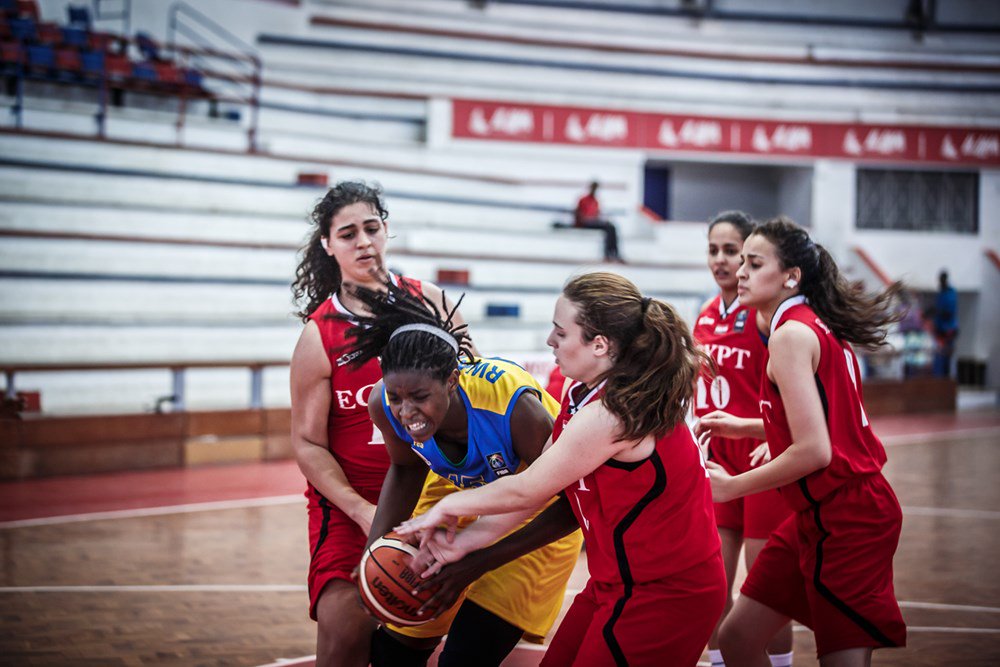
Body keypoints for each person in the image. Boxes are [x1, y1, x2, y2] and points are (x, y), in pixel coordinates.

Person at [396, 272, 727, 667]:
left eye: (561, 333)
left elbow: (528, 489)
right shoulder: (581, 393)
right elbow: (537, 487)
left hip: (668, 590)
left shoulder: (613, 413)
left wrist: (447, 509)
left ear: (599, 345)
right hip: (615, 582)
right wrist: (464, 542)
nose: (550, 341)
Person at [342, 280, 583, 667]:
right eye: (396, 397)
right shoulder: (382, 404)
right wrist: (374, 551)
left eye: (420, 397)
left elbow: (571, 505)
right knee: (393, 651)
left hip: (539, 511)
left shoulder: (515, 409)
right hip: (456, 497)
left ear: (452, 380)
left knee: (465, 657)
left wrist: (477, 561)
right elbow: (405, 470)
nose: (406, 413)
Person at [707, 217, 907, 666]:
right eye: (742, 261)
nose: (740, 271)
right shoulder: (811, 324)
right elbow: (827, 425)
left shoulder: (790, 336)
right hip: (817, 515)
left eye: (754, 263)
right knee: (737, 637)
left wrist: (734, 486)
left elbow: (816, 449)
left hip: (850, 517)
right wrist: (745, 425)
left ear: (791, 276)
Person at [288, 181, 471, 667]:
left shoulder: (430, 301)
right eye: (348, 234)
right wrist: (357, 510)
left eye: (372, 228)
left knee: (426, 641)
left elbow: (473, 388)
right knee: (344, 636)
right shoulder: (318, 334)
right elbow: (307, 443)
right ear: (328, 246)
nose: (364, 241)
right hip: (356, 505)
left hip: (437, 494)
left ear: (386, 229)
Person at [692, 211, 793, 667]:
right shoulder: (707, 314)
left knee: (764, 591)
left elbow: (797, 386)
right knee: (712, 583)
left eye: (731, 251)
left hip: (760, 460)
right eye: (713, 250)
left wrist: (780, 434)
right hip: (716, 462)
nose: (721, 260)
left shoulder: (768, 316)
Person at [574, 181, 623, 263]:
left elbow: (596, 214)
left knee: (611, 227)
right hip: (585, 223)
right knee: (609, 227)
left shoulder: (596, 201)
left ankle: (612, 253)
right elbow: (579, 215)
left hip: (593, 222)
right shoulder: (583, 199)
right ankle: (611, 253)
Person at [932, 270, 958, 377]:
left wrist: (937, 311)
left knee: (947, 357)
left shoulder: (950, 293)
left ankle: (947, 380)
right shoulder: (941, 293)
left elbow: (949, 312)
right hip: (940, 330)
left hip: (948, 330)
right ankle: (940, 380)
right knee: (939, 356)